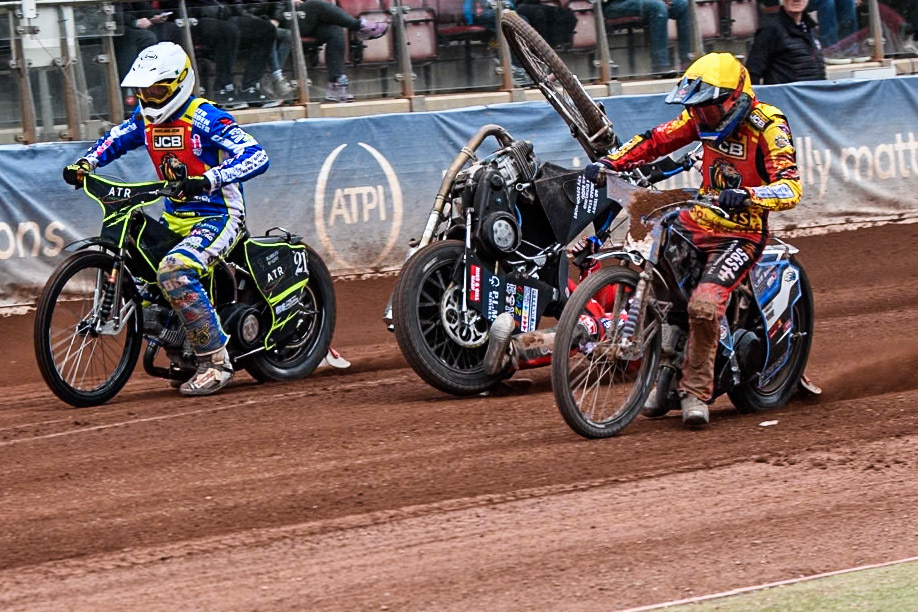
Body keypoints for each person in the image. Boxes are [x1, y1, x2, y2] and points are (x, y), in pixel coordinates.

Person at [582, 52, 802, 427]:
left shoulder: (768, 125)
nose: (700, 118)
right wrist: (610, 163)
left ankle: (695, 391)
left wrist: (749, 195)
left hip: (741, 232)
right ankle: (664, 368)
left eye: (708, 110)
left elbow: (791, 187)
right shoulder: (700, 119)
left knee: (703, 306)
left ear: (734, 100)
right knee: (657, 259)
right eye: (696, 110)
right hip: (697, 220)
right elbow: (656, 140)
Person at [62, 42, 269, 396]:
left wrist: (210, 178)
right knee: (143, 281)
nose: (150, 97)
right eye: (144, 91)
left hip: (220, 215)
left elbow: (256, 155)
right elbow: (113, 140)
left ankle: (216, 361)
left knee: (173, 271)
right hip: (175, 217)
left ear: (180, 83)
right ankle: (182, 348)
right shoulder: (144, 120)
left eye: (158, 90)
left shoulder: (205, 117)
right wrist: (86, 164)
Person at [284, 0, 388, 102]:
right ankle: (360, 26)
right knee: (315, 4)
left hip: (304, 18)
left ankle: (335, 83)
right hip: (282, 21)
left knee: (335, 31)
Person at [601, 0, 692, 76]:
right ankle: (660, 67)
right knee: (657, 6)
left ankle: (687, 63)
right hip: (613, 5)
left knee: (683, 5)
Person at [746, 0, 827, 84]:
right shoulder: (770, 29)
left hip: (814, 95)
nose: (796, 0)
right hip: (783, 95)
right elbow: (753, 72)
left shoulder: (811, 28)